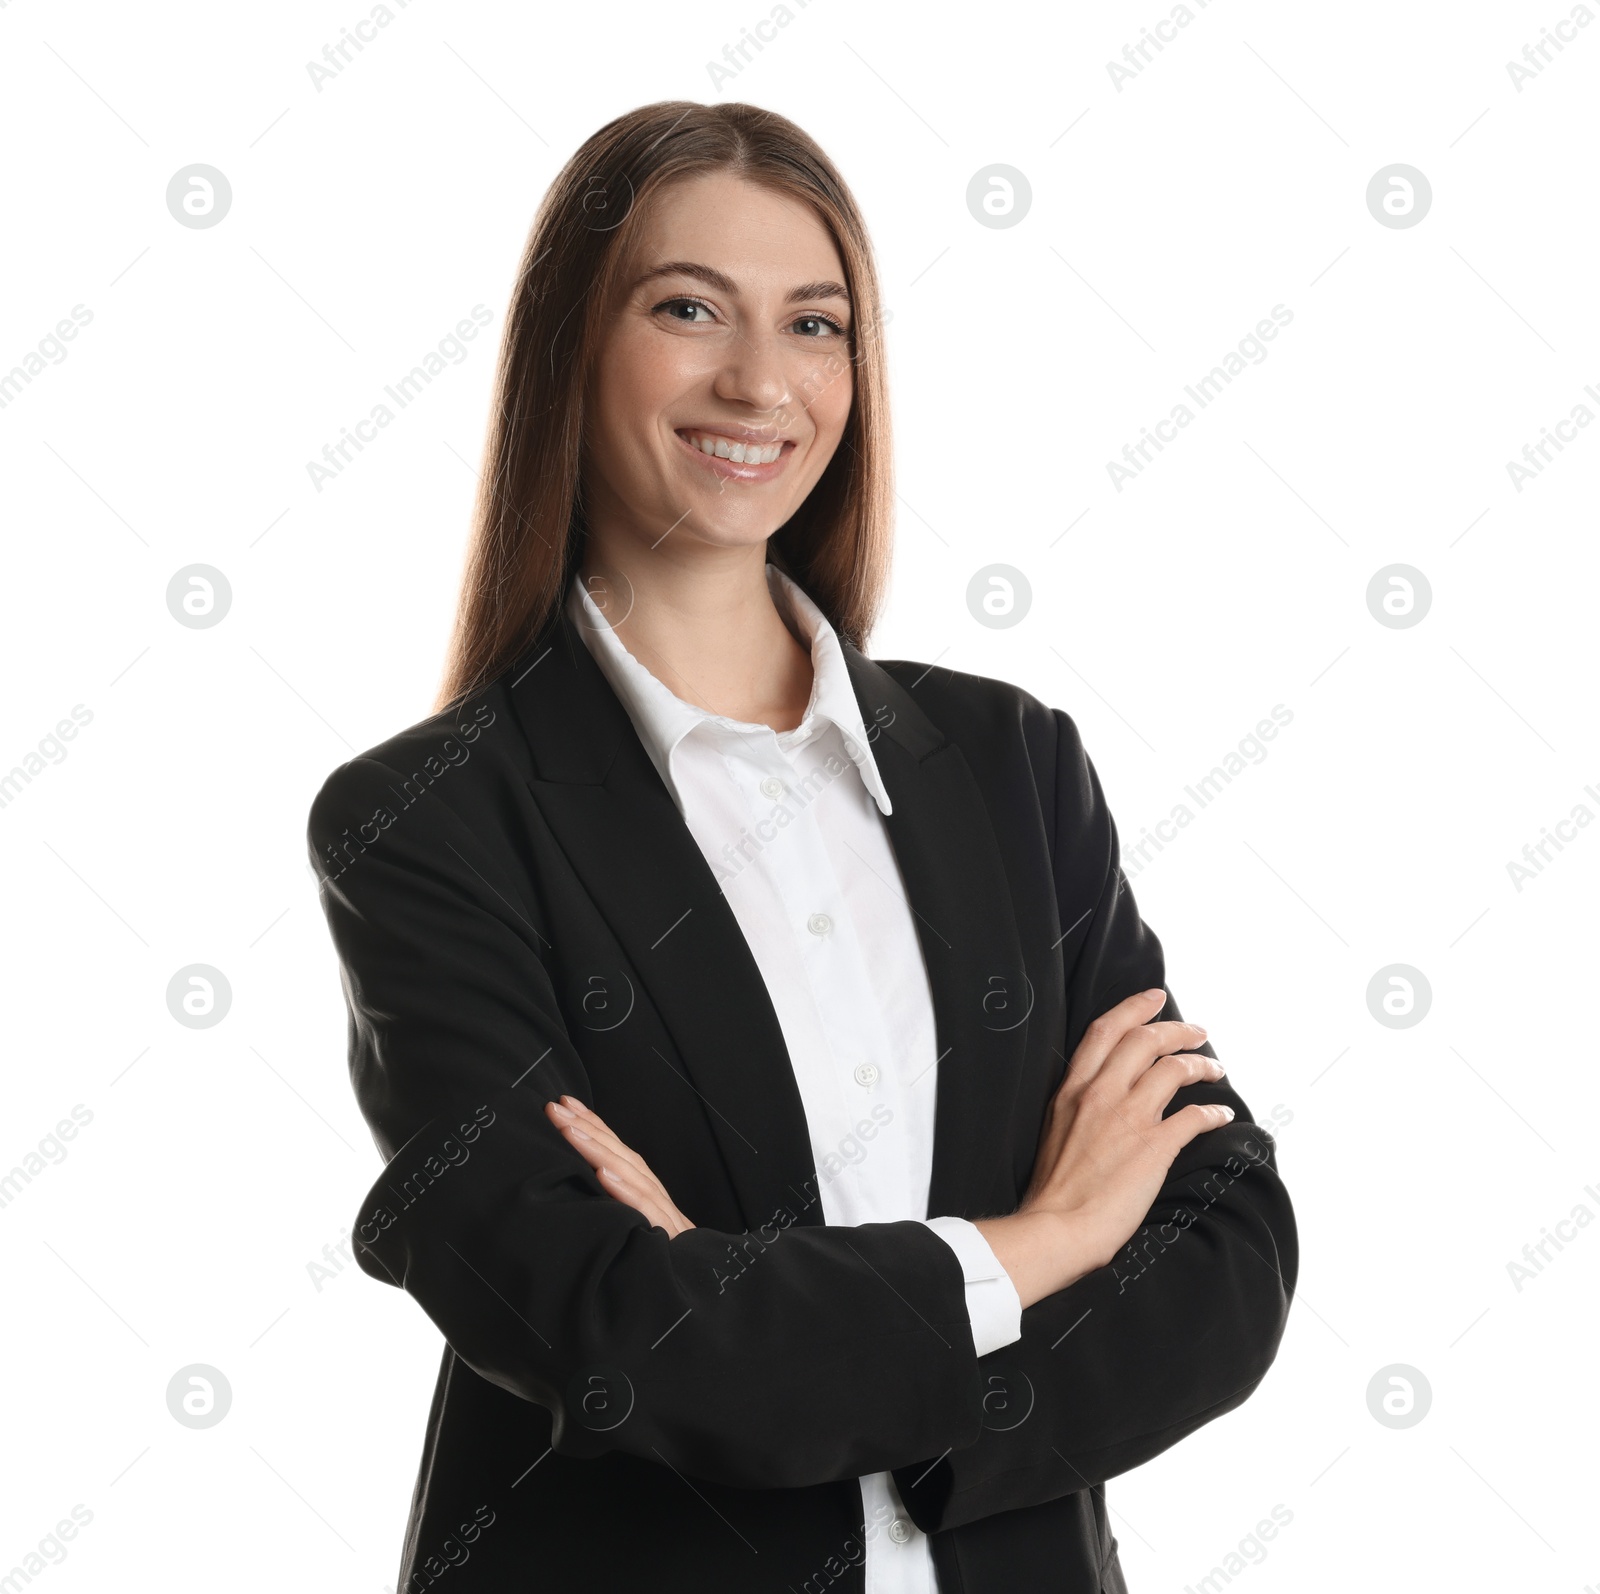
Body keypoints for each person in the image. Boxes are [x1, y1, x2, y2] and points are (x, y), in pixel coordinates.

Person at [307, 99, 1298, 1594]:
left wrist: (780, 1335)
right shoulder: (430, 824)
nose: (760, 380)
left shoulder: (1014, 765)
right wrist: (1043, 1241)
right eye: (688, 307)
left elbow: (1226, 1248)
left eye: (817, 324)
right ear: (572, 345)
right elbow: (603, 1331)